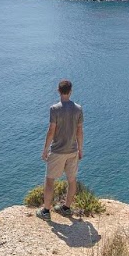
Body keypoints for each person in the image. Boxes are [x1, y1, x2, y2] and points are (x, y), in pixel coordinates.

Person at [38, 79, 83, 219]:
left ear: (58, 91)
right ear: (71, 91)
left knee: (50, 180)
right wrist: (80, 149)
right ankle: (66, 208)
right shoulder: (78, 109)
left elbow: (51, 130)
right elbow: (80, 131)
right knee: (72, 180)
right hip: (72, 150)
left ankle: (46, 211)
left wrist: (45, 149)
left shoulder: (54, 109)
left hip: (57, 150)